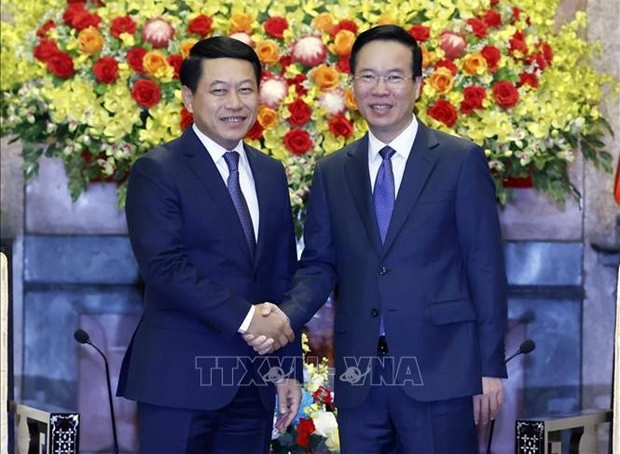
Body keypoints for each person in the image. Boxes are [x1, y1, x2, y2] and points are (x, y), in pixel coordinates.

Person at [247, 24, 508, 454]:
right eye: (367, 76)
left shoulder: (460, 161)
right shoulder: (334, 170)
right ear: (352, 86)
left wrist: (489, 366)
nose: (380, 89)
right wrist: (283, 317)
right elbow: (318, 264)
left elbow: (485, 267)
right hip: (360, 377)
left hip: (441, 370)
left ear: (418, 85)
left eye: (394, 76)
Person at [117, 36, 302, 454]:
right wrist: (247, 318)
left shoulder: (270, 173)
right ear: (188, 97)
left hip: (254, 383)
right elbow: (165, 267)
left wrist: (288, 369)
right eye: (218, 90)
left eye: (246, 88)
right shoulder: (157, 170)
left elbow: (280, 275)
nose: (234, 102)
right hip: (178, 381)